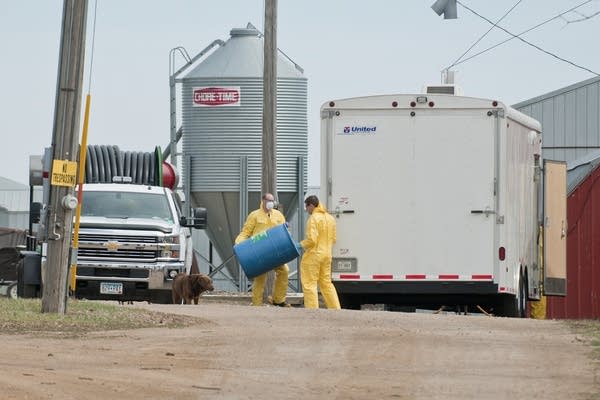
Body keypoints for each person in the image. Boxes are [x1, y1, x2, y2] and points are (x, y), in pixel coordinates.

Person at [235, 193, 290, 307]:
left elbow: (284, 231)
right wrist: (239, 243)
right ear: (263, 200)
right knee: (260, 277)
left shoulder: (278, 215)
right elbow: (246, 232)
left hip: (275, 250)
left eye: (272, 200)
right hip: (261, 251)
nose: (271, 203)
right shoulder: (254, 215)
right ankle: (256, 303)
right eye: (269, 200)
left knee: (284, 271)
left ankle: (278, 300)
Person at [298, 195, 341, 309]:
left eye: (307, 207)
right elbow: (334, 238)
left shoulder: (313, 219)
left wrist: (300, 244)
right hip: (327, 255)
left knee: (309, 284)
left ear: (311, 205)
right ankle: (336, 309)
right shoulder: (330, 218)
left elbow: (312, 240)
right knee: (326, 283)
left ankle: (312, 311)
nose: (306, 210)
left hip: (314, 256)